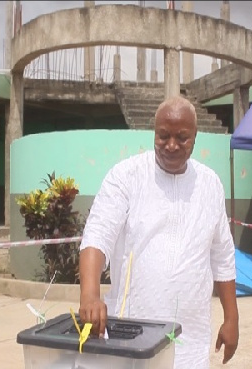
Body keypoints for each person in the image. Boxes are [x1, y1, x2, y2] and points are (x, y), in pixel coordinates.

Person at [78, 96, 238, 368]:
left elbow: (222, 255)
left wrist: (231, 318)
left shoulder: (210, 184)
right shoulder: (126, 176)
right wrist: (90, 295)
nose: (172, 145)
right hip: (132, 336)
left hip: (190, 338)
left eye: (182, 137)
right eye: (163, 136)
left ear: (195, 138)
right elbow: (97, 236)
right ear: (154, 132)